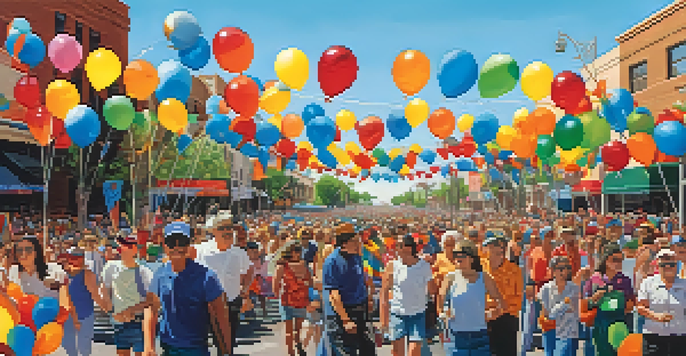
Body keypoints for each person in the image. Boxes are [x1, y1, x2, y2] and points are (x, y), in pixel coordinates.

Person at [146, 221, 232, 356]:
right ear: (164, 245)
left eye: (182, 242)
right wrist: (148, 346)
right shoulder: (160, 274)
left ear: (189, 245)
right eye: (171, 242)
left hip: (196, 349)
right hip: (168, 349)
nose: (177, 247)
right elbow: (151, 310)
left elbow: (221, 316)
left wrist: (227, 350)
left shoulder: (206, 276)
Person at [194, 211, 253, 355]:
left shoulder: (239, 253)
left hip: (230, 304)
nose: (227, 231)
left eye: (229, 228)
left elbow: (249, 270)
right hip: (204, 306)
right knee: (199, 344)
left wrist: (244, 291)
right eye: (222, 228)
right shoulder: (200, 250)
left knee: (226, 347)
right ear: (214, 231)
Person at [437, 239, 505, 356]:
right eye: (455, 254)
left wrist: (495, 312)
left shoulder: (484, 277)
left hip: (480, 336)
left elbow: (500, 302)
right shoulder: (450, 278)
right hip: (455, 337)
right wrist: (443, 313)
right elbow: (440, 299)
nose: (458, 258)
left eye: (462, 254)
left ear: (472, 258)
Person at [322, 223, 376, 355]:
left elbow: (361, 280)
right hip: (344, 314)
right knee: (346, 351)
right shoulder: (332, 262)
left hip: (361, 312)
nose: (359, 243)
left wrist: (369, 299)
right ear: (345, 243)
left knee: (368, 350)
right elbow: (334, 294)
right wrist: (346, 320)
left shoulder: (355, 256)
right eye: (355, 240)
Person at [101, 234, 156, 356]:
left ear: (135, 249)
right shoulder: (111, 267)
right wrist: (111, 312)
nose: (122, 249)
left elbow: (152, 301)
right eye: (121, 246)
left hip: (139, 323)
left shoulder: (144, 272)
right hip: (119, 324)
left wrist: (131, 310)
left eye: (127, 246)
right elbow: (104, 291)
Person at [380, 235, 435, 356]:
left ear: (409, 248)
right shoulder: (392, 266)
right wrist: (383, 319)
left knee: (414, 352)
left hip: (418, 315)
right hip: (397, 314)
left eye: (398, 246)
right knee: (397, 352)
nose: (395, 249)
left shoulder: (424, 266)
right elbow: (384, 292)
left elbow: (432, 290)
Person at [582, 242, 634, 356]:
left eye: (620, 260)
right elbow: (585, 303)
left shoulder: (625, 280)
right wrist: (595, 297)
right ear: (606, 260)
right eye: (614, 259)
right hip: (600, 324)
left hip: (619, 323)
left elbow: (631, 304)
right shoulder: (595, 279)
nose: (618, 263)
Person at [637, 249, 686, 355]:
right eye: (664, 265)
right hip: (654, 336)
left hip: (679, 337)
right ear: (657, 266)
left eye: (671, 264)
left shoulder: (684, 284)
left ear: (676, 265)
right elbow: (640, 307)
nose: (668, 267)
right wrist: (655, 316)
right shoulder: (647, 283)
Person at [62, 247, 109, 356]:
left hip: (84, 316)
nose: (75, 260)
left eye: (78, 258)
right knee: (70, 348)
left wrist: (108, 310)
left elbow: (95, 295)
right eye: (72, 258)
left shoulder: (87, 274)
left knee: (83, 349)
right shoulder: (64, 274)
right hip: (68, 316)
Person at [481, 232, 522, 356]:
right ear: (485, 248)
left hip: (506, 319)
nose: (498, 248)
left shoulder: (514, 270)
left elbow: (518, 298)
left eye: (501, 245)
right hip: (484, 317)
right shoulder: (479, 268)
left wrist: (500, 311)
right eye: (493, 245)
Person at [273, 241, 312, 356]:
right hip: (296, 300)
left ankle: (295, 348)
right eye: (296, 250)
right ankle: (293, 350)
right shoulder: (302, 265)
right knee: (293, 330)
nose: (298, 253)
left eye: (299, 250)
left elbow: (275, 285)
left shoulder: (282, 266)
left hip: (290, 300)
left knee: (293, 331)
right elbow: (310, 282)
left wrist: (278, 294)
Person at [537, 256, 580, 356]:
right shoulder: (546, 289)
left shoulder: (574, 288)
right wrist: (565, 304)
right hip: (551, 329)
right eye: (561, 269)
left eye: (567, 268)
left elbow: (574, 311)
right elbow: (546, 313)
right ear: (553, 271)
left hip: (568, 330)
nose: (564, 271)